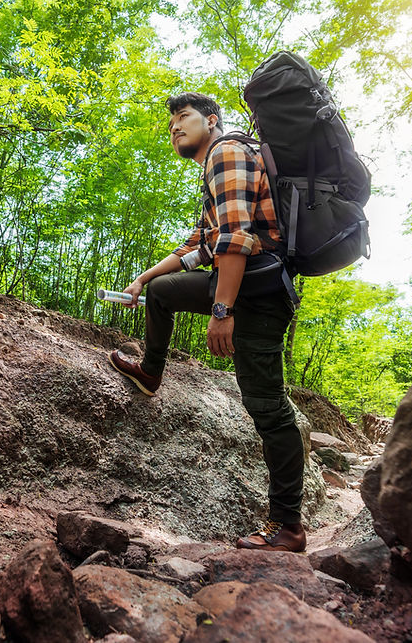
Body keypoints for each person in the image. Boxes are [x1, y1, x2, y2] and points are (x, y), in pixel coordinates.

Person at [107, 92, 306, 553]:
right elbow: (201, 245)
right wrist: (142, 278)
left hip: (259, 295)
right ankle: (151, 372)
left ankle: (288, 526)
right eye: (171, 122)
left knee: (267, 408)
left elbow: (236, 239)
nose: (175, 127)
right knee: (161, 292)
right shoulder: (213, 165)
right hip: (240, 282)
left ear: (211, 121)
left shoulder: (227, 152)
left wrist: (223, 311)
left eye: (184, 117)